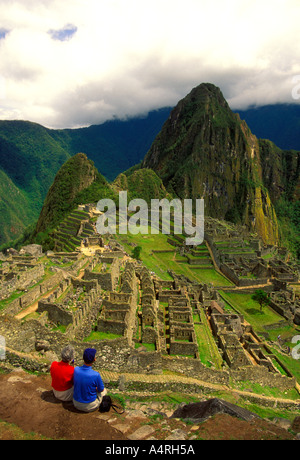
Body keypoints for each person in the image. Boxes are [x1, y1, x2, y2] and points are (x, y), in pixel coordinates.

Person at [73, 348, 107, 412]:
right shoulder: (96, 375)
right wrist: (96, 389)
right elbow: (101, 389)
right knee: (104, 391)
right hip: (90, 405)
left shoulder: (76, 369)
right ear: (94, 359)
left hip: (76, 403)